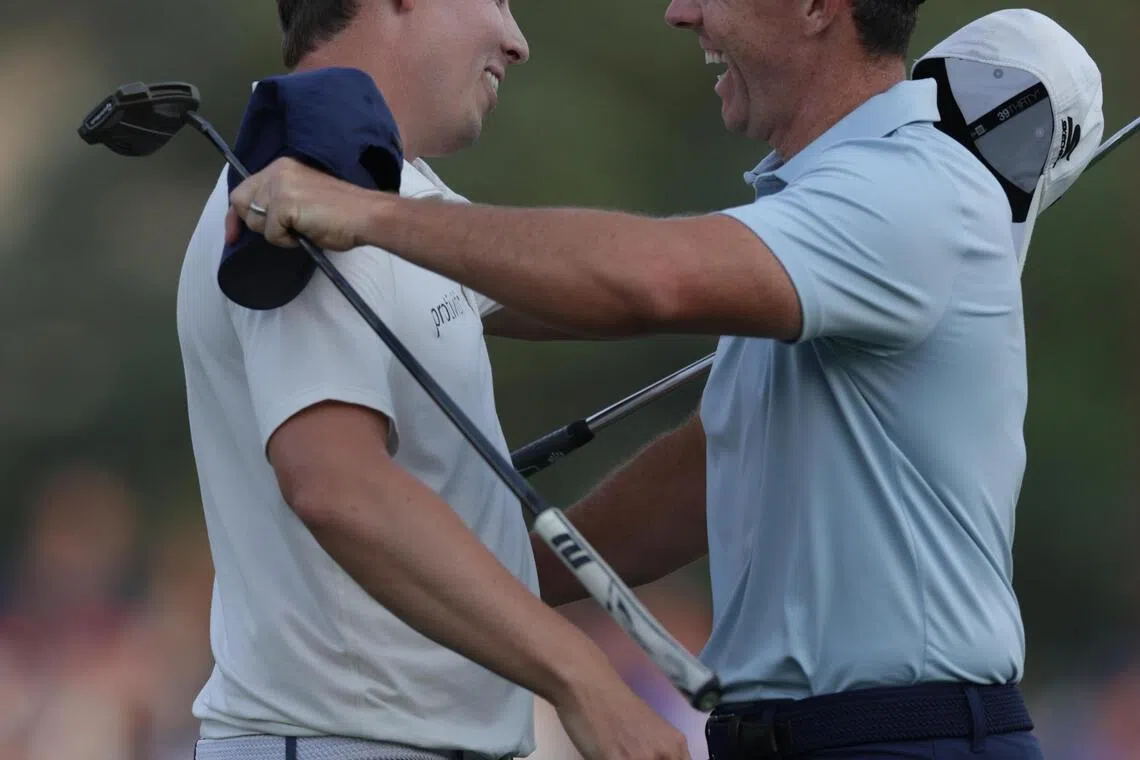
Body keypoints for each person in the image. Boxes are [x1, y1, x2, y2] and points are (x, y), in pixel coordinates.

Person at [226, 2, 1109, 757]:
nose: (683, 11)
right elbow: (704, 477)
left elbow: (646, 280)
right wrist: (479, 589)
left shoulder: (914, 189)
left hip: (906, 735)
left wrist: (370, 214)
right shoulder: (822, 209)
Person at [175, 2, 693, 760]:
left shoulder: (389, 188)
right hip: (346, 743)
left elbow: (596, 289)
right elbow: (335, 486)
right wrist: (582, 675)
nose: (516, 41)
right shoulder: (310, 167)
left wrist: (780, 283)